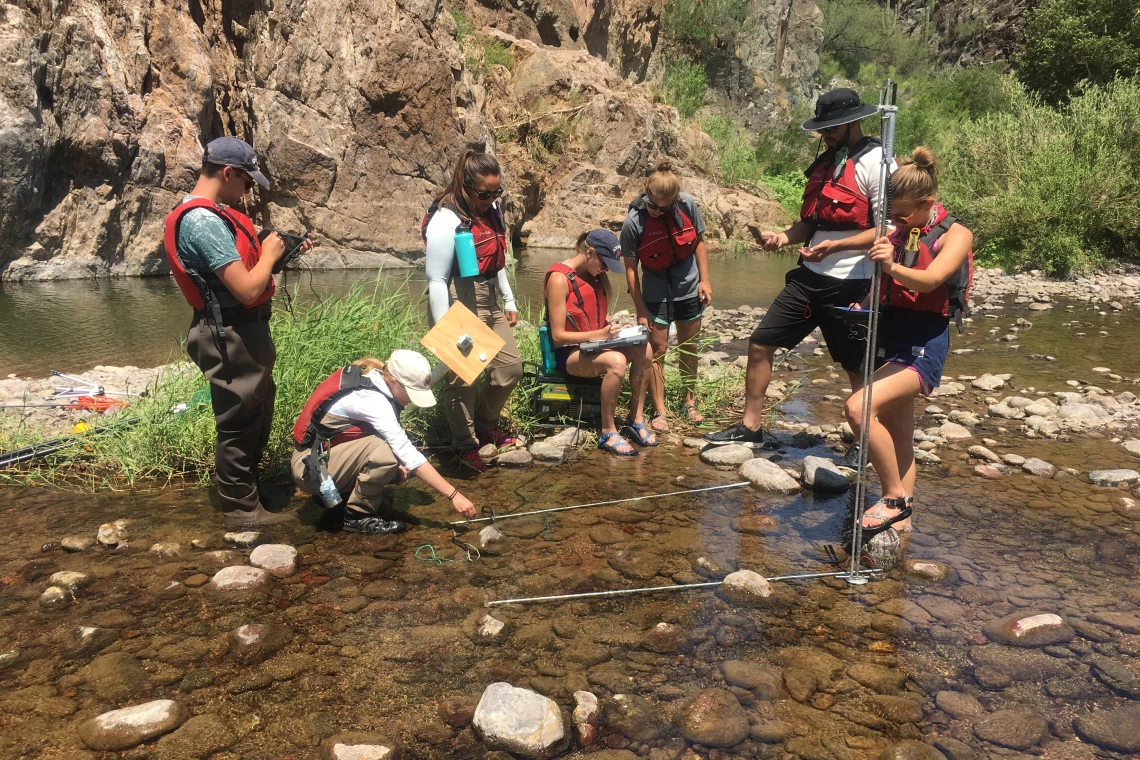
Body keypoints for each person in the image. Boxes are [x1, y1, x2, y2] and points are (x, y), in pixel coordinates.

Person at [705, 88, 893, 453]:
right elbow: (810, 223)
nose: (825, 134)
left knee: (857, 366)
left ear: (853, 122)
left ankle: (868, 442)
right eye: (823, 129)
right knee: (761, 342)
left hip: (854, 285)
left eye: (831, 127)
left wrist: (835, 247)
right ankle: (751, 427)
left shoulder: (879, 163)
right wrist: (781, 237)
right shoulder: (826, 163)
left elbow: (886, 229)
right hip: (809, 279)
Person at [163, 136, 310, 529]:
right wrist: (270, 255)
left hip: (242, 330)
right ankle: (242, 512)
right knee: (239, 421)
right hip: (228, 334)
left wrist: (276, 254)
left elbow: (240, 276)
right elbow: (246, 289)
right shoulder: (201, 222)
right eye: (247, 182)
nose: (248, 191)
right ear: (228, 173)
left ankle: (250, 494)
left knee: (256, 411)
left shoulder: (212, 214)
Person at [844, 147, 972, 534]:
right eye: (891, 215)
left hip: (925, 340)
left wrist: (892, 265)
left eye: (902, 216)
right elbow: (885, 282)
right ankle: (901, 528)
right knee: (899, 434)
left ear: (927, 204)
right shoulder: (899, 233)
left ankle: (893, 497)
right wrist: (863, 301)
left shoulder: (957, 234)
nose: (895, 223)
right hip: (891, 333)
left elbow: (931, 280)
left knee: (858, 409)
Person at [291, 352, 478, 534]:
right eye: (411, 393)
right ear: (394, 382)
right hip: (309, 469)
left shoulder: (377, 379)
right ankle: (357, 516)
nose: (413, 400)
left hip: (321, 461)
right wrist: (454, 495)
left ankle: (342, 498)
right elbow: (406, 452)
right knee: (389, 452)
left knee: (391, 464)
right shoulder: (373, 400)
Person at [423, 151, 523, 471]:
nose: (491, 198)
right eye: (484, 193)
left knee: (510, 368)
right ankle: (465, 445)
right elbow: (436, 279)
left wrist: (508, 300)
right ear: (466, 186)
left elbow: (496, 261)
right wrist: (447, 331)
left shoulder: (491, 209)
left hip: (488, 293)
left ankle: (485, 427)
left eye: (497, 192)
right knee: (464, 377)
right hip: (455, 296)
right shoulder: (445, 220)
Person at [544, 230, 657, 456]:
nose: (605, 270)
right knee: (616, 361)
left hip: (594, 344)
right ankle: (608, 431)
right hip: (569, 354)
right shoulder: (559, 279)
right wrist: (601, 334)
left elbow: (588, 316)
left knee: (645, 348)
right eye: (604, 264)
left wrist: (611, 328)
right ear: (589, 252)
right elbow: (558, 336)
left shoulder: (594, 276)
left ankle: (635, 419)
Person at [620, 162, 712, 432]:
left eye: (664, 207)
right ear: (646, 192)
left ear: (675, 200)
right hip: (656, 286)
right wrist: (639, 308)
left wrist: (705, 280)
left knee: (689, 345)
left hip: (688, 282)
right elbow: (630, 269)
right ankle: (660, 410)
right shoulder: (633, 222)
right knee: (658, 349)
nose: (657, 211)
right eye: (653, 205)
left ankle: (689, 401)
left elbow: (699, 242)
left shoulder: (687, 205)